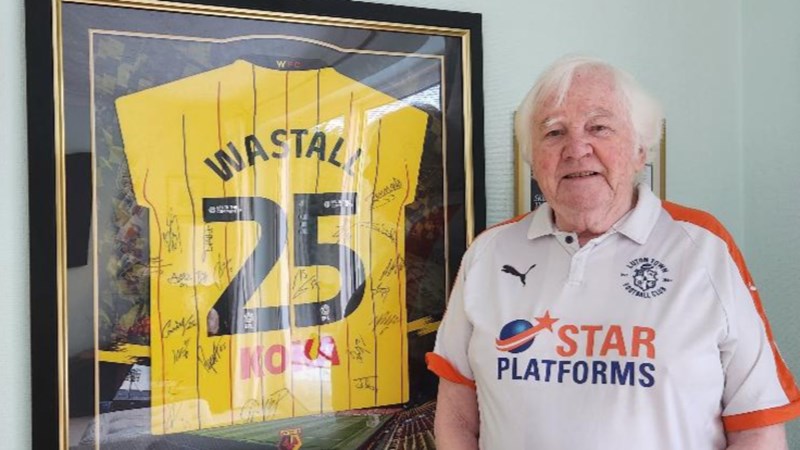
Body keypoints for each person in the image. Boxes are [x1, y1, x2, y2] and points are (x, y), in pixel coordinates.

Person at [426, 55, 800, 449]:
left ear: (640, 150)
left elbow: (757, 428)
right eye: (554, 132)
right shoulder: (488, 254)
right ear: (532, 158)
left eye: (599, 127)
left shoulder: (704, 248)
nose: (576, 149)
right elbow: (456, 416)